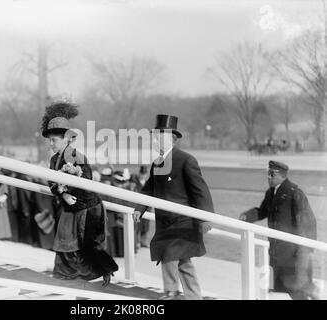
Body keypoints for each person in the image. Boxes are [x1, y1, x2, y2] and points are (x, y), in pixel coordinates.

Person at [133, 114, 214, 300]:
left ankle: (171, 292)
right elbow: (149, 189)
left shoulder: (186, 160)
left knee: (169, 254)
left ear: (173, 138)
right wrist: (139, 208)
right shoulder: (157, 163)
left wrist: (206, 218)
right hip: (165, 221)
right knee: (183, 261)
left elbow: (200, 191)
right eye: (155, 136)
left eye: (160, 136)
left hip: (182, 221)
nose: (156, 140)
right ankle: (194, 296)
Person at [41, 101, 118, 286]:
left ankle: (100, 273)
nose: (51, 144)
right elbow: (52, 182)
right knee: (65, 241)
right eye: (50, 140)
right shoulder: (53, 160)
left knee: (85, 243)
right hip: (70, 206)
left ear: (67, 139)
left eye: (55, 140)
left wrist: (69, 193)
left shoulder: (78, 157)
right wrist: (64, 195)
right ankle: (68, 278)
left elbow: (86, 184)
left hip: (88, 207)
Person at [239, 160, 319, 300]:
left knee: (296, 289)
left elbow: (308, 222)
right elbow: (262, 211)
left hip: (293, 252)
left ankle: (314, 292)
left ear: (282, 175)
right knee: (283, 286)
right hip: (277, 251)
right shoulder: (271, 193)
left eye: (272, 174)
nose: (268, 177)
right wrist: (247, 216)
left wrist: (308, 250)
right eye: (268, 174)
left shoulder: (294, 193)